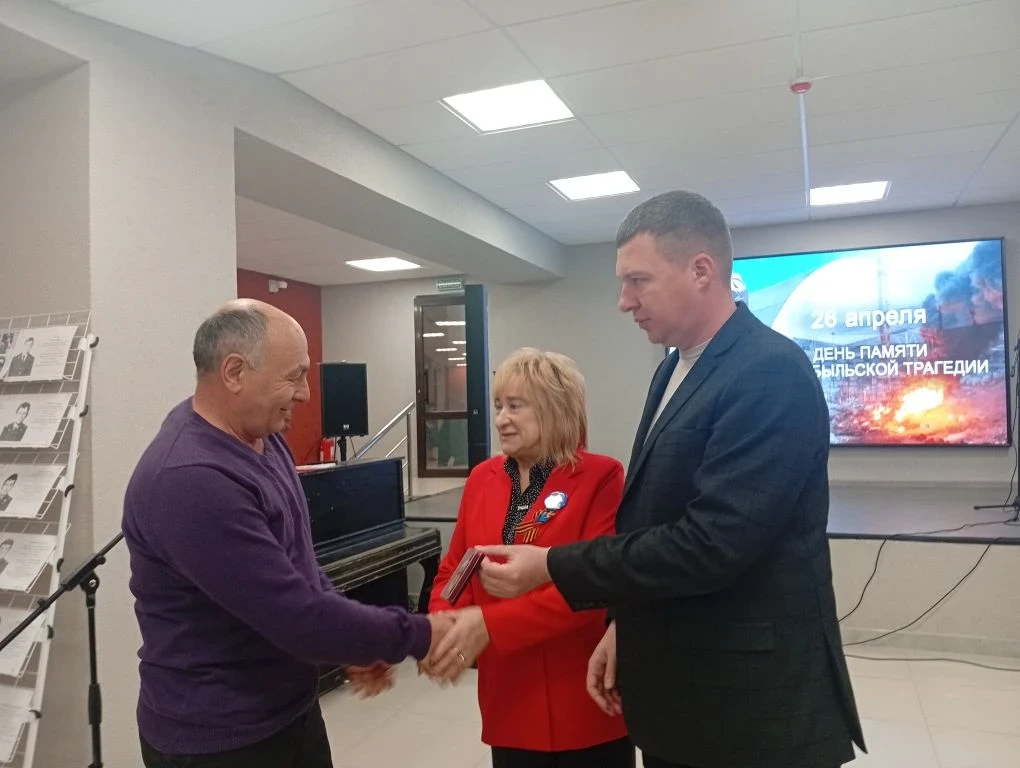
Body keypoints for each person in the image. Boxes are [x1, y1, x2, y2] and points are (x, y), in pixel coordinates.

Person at [475, 191, 865, 768]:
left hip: (747, 709)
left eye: (638, 281)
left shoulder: (768, 370)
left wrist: (552, 564)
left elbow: (711, 544)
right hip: (684, 692)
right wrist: (622, 625)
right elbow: (653, 518)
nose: (624, 301)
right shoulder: (674, 369)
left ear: (701, 270)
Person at [122, 299, 450, 768]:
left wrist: (352, 640)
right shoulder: (191, 478)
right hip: (220, 740)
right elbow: (294, 616)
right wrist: (423, 633)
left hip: (288, 712)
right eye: (294, 376)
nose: (306, 394)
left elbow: (300, 565)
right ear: (234, 372)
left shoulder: (263, 437)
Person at [423, 348, 632, 768]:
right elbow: (455, 570)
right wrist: (442, 626)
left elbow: (594, 587)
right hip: (508, 699)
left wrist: (489, 626)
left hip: (582, 700)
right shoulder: (481, 479)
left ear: (554, 409)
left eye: (515, 406)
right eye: (499, 405)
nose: (501, 418)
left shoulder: (601, 476)